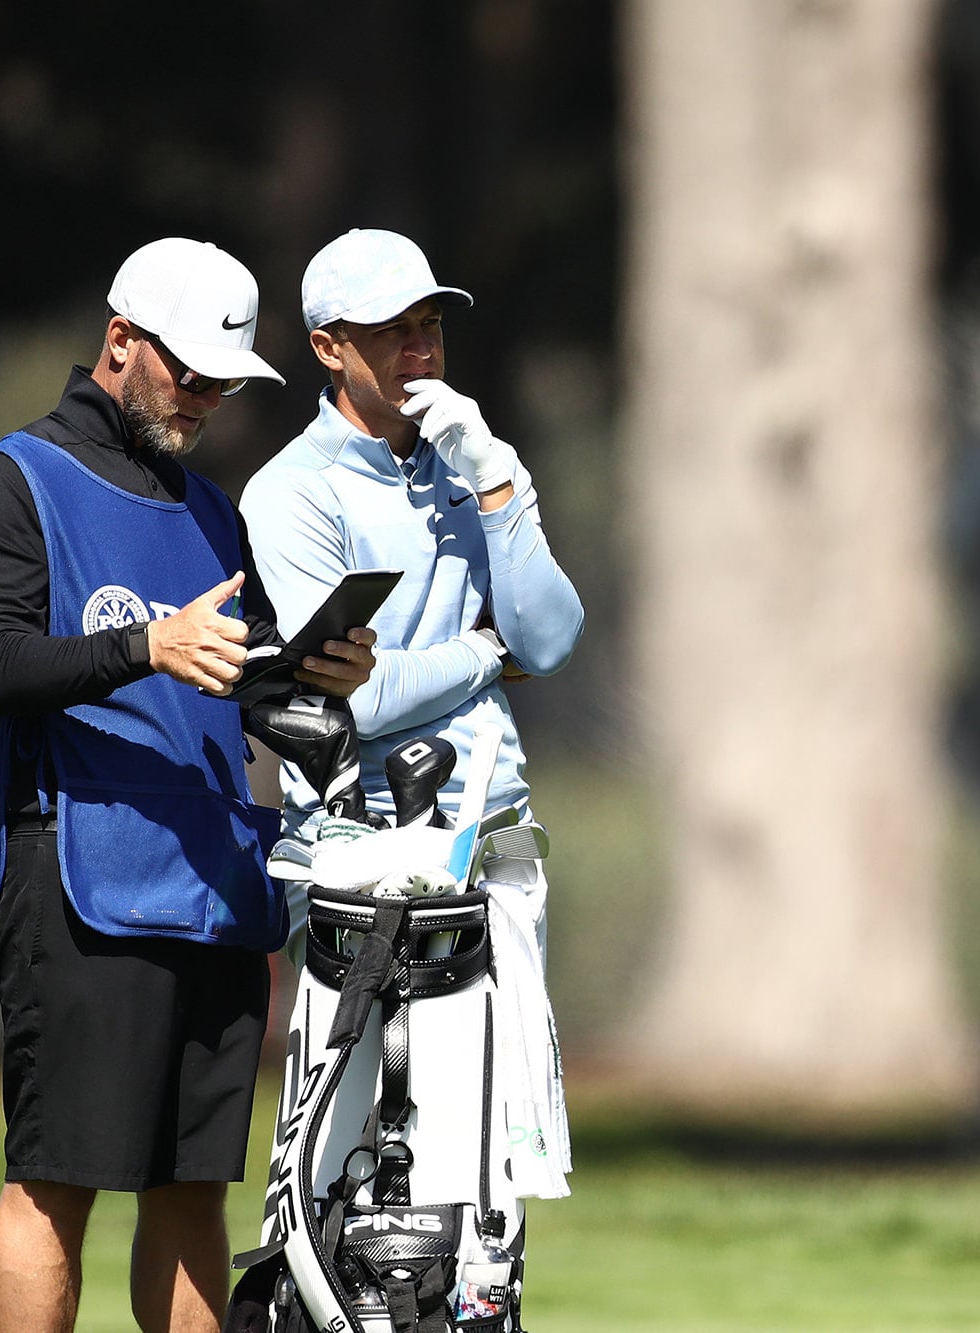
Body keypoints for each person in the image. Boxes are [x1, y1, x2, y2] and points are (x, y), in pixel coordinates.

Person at [0, 237, 378, 1333]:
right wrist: (147, 647)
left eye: (225, 383)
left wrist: (313, 673)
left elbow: (234, 683)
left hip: (213, 883)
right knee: (57, 1177)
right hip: (77, 875)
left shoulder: (212, 512)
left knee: (191, 1187)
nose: (207, 399)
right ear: (121, 340)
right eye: (190, 372)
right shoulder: (9, 482)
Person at [239, 228, 584, 1196]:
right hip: (359, 845)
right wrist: (484, 653)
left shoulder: (473, 467)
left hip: (491, 834)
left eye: (428, 324)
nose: (419, 348)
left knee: (488, 1155)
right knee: (349, 1161)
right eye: (390, 330)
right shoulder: (291, 492)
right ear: (327, 346)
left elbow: (553, 637)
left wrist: (498, 482)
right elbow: (364, 695)